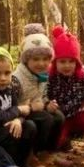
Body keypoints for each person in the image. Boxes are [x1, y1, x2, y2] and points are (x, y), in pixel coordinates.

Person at [46, 26, 84, 160]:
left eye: (71, 61)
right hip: (62, 118)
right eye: (62, 62)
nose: (67, 66)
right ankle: (64, 143)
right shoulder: (51, 79)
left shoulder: (83, 77)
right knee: (58, 141)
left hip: (79, 114)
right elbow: (44, 96)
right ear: (55, 63)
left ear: (77, 62)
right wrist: (48, 104)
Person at [12, 24, 65, 155]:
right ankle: (35, 152)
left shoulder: (42, 75)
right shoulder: (16, 78)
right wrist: (29, 107)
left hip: (38, 107)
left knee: (58, 116)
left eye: (46, 59)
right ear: (26, 60)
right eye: (35, 59)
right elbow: (12, 105)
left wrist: (48, 104)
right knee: (46, 119)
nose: (41, 64)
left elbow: (43, 95)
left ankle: (50, 149)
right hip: (22, 113)